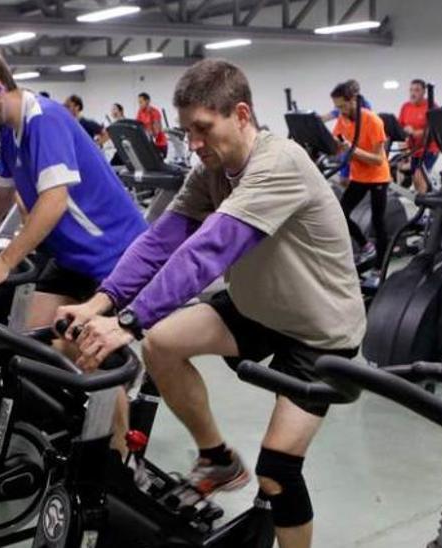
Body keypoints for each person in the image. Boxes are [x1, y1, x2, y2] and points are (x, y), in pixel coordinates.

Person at [58, 59, 366, 548]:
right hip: (257, 309)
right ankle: (218, 457)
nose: (195, 143)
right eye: (188, 131)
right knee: (161, 345)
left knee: (278, 473)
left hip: (319, 332)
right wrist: (102, 302)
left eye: (203, 129)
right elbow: (162, 241)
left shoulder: (278, 163)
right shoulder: (211, 171)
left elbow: (210, 249)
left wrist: (130, 321)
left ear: (241, 114)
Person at [0, 49, 148, 328]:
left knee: (64, 348)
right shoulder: (11, 133)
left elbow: (54, 201)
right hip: (71, 258)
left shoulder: (44, 119)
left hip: (111, 257)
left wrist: (4, 263)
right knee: (20, 333)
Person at [332, 80, 392, 270]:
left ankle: (380, 267)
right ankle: (366, 245)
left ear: (353, 101)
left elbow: (377, 160)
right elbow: (336, 144)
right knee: (340, 214)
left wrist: (352, 150)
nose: (340, 111)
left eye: (342, 106)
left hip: (378, 177)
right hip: (359, 177)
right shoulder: (342, 120)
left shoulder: (373, 121)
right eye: (337, 107)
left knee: (378, 221)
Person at [398, 78, 436, 194]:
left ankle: (424, 209)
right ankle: (424, 204)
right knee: (416, 180)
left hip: (429, 149)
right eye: (411, 90)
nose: (413, 93)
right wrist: (403, 137)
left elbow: (435, 130)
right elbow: (400, 126)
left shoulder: (431, 106)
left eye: (417, 90)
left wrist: (414, 132)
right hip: (413, 150)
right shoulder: (406, 106)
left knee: (419, 177)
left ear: (424, 92)